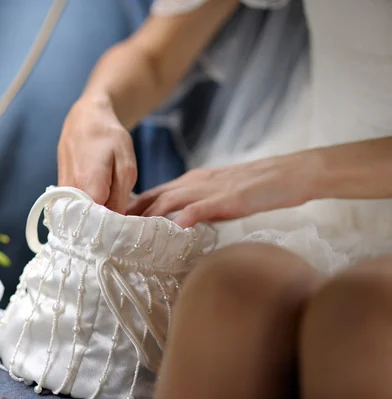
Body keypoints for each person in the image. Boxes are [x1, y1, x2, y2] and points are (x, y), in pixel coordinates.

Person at [57, 0, 392, 397]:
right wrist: (95, 107)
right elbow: (154, 56)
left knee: (362, 318)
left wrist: (299, 173)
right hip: (315, 191)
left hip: (309, 175)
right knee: (229, 297)